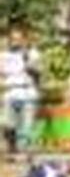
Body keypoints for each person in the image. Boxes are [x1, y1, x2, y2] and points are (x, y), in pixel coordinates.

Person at [0, 28, 41, 158]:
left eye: (18, 39)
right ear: (9, 40)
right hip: (10, 92)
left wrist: (28, 61)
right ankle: (12, 148)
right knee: (7, 124)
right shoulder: (3, 55)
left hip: (28, 92)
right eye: (12, 39)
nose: (15, 42)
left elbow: (38, 73)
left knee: (26, 127)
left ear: (24, 40)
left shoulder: (32, 53)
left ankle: (21, 153)